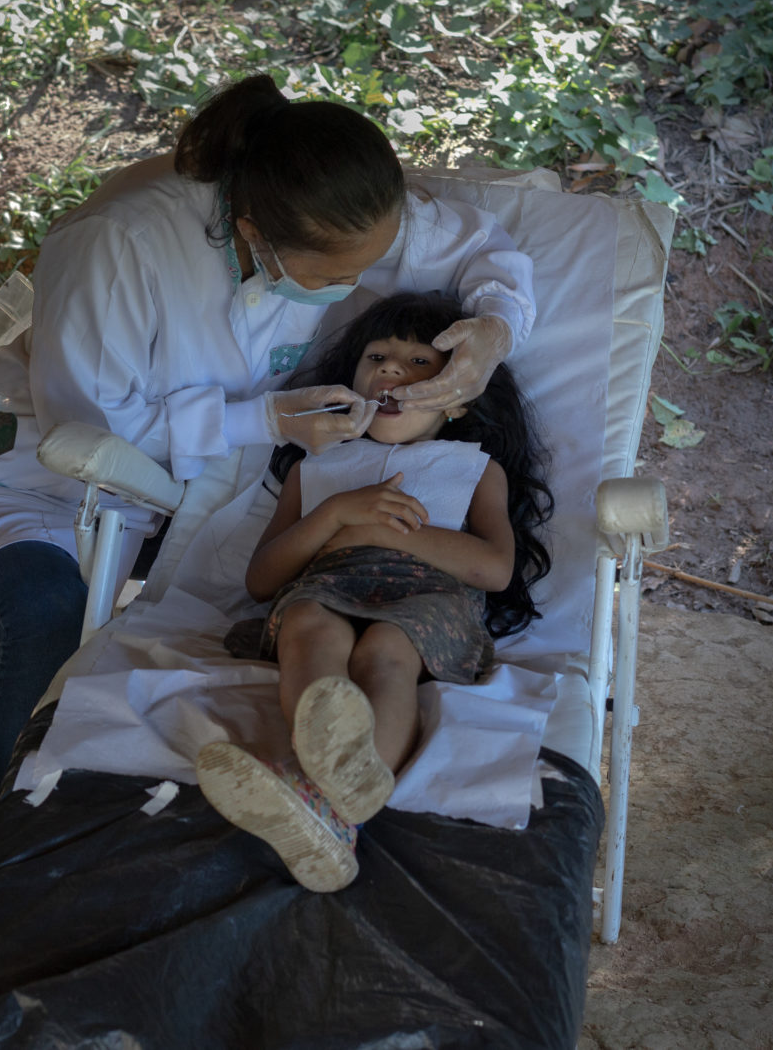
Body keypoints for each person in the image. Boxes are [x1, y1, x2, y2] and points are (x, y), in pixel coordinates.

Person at [0, 73, 536, 794]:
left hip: (201, 494)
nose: (356, 290)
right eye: (339, 279)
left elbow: (482, 253)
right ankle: (21, 830)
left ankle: (325, 789)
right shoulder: (119, 245)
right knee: (46, 609)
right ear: (253, 232)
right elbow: (93, 427)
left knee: (348, 645)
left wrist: (495, 328)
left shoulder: (331, 214)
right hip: (49, 482)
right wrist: (265, 422)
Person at [198, 291, 554, 892]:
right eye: (377, 357)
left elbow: (494, 569)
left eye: (420, 364)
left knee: (385, 653)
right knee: (309, 623)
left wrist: (373, 529)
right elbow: (262, 581)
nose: (391, 369)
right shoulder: (316, 466)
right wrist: (334, 513)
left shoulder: (470, 467)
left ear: (461, 400)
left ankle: (319, 799)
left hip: (426, 601)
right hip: (327, 591)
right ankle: (329, 800)